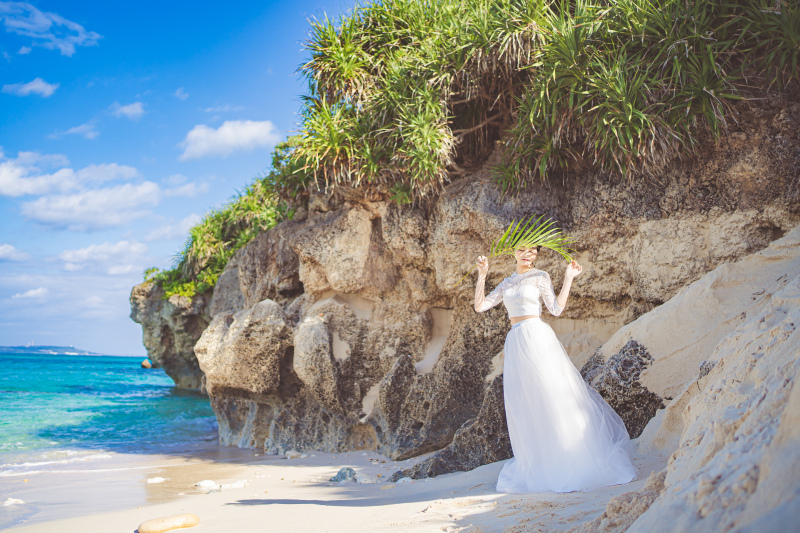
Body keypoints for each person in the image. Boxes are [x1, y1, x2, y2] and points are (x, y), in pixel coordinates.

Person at [474, 245, 636, 493]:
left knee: (552, 395)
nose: (527, 254)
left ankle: (571, 458)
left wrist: (569, 278)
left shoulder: (540, 277)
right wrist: (482, 274)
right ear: (514, 252)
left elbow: (556, 309)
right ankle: (542, 462)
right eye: (522, 250)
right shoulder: (507, 282)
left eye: (533, 251)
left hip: (537, 336)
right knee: (526, 404)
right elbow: (480, 306)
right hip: (516, 341)